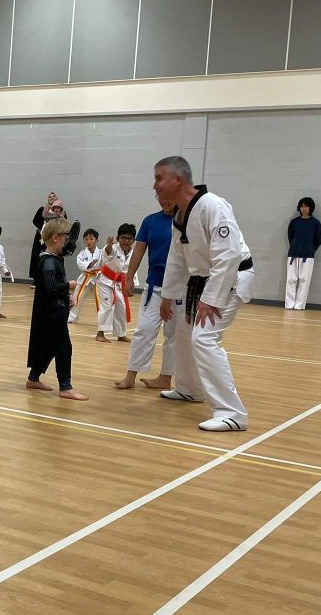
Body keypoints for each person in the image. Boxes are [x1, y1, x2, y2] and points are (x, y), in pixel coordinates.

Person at [155, 155, 253, 432]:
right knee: (185, 334)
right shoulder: (179, 216)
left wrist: (211, 299)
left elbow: (230, 255)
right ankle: (189, 389)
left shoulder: (213, 206)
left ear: (178, 179)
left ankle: (232, 413)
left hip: (231, 277)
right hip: (201, 280)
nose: (155, 185)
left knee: (204, 337)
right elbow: (177, 260)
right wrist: (167, 295)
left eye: (159, 178)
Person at [115, 199, 177, 390]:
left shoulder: (186, 220)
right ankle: (130, 375)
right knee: (144, 330)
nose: (165, 201)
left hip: (179, 288)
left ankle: (165, 377)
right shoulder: (150, 221)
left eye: (169, 197)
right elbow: (139, 250)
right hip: (154, 287)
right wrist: (129, 277)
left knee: (173, 335)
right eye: (160, 197)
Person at [26, 217, 88, 400]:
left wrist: (66, 297)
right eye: (66, 237)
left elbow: (53, 288)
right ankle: (65, 386)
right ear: (55, 238)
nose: (68, 242)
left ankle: (33, 377)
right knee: (63, 347)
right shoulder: (48, 262)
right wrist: (69, 285)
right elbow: (52, 286)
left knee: (49, 345)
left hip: (55, 309)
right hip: (51, 313)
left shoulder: (54, 259)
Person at [95, 224, 137, 343]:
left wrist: (131, 285)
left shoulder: (133, 253)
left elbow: (133, 270)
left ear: (133, 240)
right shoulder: (113, 248)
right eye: (123, 238)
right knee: (107, 305)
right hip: (105, 281)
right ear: (118, 239)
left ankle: (121, 334)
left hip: (119, 282)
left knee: (121, 307)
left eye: (129, 238)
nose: (126, 241)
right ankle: (100, 333)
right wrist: (108, 246)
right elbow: (108, 252)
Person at [285, 196, 321, 310]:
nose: (304, 208)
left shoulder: (315, 223)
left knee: (304, 280)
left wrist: (310, 249)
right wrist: (295, 247)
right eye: (302, 206)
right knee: (291, 279)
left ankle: (299, 305)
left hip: (308, 256)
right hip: (293, 254)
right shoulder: (294, 222)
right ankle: (289, 304)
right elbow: (290, 236)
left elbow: (318, 239)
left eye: (306, 206)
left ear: (311, 208)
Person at [67, 228, 101, 324]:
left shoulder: (101, 253)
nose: (88, 241)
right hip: (86, 277)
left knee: (101, 299)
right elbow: (80, 264)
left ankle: (103, 321)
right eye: (86, 239)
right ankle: (72, 317)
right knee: (77, 296)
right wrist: (90, 264)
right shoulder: (82, 254)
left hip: (98, 277)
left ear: (96, 240)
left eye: (91, 239)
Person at [29, 191, 61, 278]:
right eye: (49, 196)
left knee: (53, 258)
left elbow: (64, 224)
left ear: (56, 199)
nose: (51, 198)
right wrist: (44, 216)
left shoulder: (61, 211)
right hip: (42, 237)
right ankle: (36, 279)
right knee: (39, 257)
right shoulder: (43, 209)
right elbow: (35, 221)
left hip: (54, 238)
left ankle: (55, 278)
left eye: (53, 196)